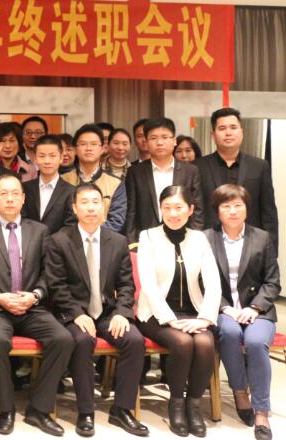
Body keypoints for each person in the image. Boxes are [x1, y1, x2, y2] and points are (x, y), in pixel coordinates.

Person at [0, 172, 73, 437]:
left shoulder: (40, 230)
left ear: (24, 198)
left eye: (15, 193)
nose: (9, 198)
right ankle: (6, 409)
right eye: (3, 193)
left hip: (31, 306)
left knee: (62, 339)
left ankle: (39, 409)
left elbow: (49, 273)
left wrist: (35, 295)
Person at [44, 184, 149, 437]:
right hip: (73, 312)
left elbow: (126, 284)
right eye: (84, 202)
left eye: (96, 202)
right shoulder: (59, 240)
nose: (91, 208)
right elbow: (56, 285)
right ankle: (86, 411)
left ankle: (121, 409)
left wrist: (122, 313)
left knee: (134, 340)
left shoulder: (117, 241)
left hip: (106, 311)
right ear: (74, 208)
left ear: (103, 207)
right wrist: (77, 314)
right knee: (82, 341)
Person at [135, 185, 221, 438]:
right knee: (183, 342)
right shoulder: (147, 236)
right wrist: (171, 320)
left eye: (179, 207)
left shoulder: (199, 238)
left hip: (193, 312)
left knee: (205, 343)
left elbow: (213, 283)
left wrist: (205, 318)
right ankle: (176, 404)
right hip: (155, 314)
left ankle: (193, 405)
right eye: (167, 208)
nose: (173, 213)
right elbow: (148, 285)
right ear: (160, 209)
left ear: (190, 209)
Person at [206, 184, 280, 440]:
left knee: (256, 342)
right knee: (228, 333)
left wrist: (254, 307)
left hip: (258, 310)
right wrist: (225, 307)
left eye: (238, 205)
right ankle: (239, 392)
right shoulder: (206, 239)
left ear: (246, 208)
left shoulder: (262, 238)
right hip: (223, 308)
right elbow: (201, 282)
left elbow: (273, 282)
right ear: (217, 211)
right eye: (226, 206)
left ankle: (261, 411)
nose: (233, 211)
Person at [196, 107, 279, 241]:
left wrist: (271, 248)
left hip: (250, 243)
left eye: (233, 127)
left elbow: (268, 213)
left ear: (242, 132)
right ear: (213, 134)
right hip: (209, 243)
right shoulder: (197, 167)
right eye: (222, 128)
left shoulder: (259, 166)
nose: (228, 133)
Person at [125, 118, 204, 245]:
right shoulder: (135, 172)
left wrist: (194, 240)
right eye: (153, 138)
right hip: (147, 240)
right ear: (146, 142)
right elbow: (131, 212)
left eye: (165, 137)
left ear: (174, 141)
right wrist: (132, 242)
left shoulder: (190, 171)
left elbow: (197, 210)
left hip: (184, 240)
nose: (159, 142)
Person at [61, 124, 127, 233]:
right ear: (75, 149)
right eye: (83, 144)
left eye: (94, 144)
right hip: (68, 240)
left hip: (104, 240)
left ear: (102, 149)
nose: (88, 148)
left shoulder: (115, 183)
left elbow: (116, 221)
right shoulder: (63, 180)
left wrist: (91, 235)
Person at [21, 134, 76, 235]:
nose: (47, 161)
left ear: (61, 158)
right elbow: (21, 219)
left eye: (52, 156)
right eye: (42, 156)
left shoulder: (71, 192)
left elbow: (71, 226)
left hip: (58, 244)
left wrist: (50, 242)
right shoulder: (24, 188)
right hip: (29, 243)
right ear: (35, 158)